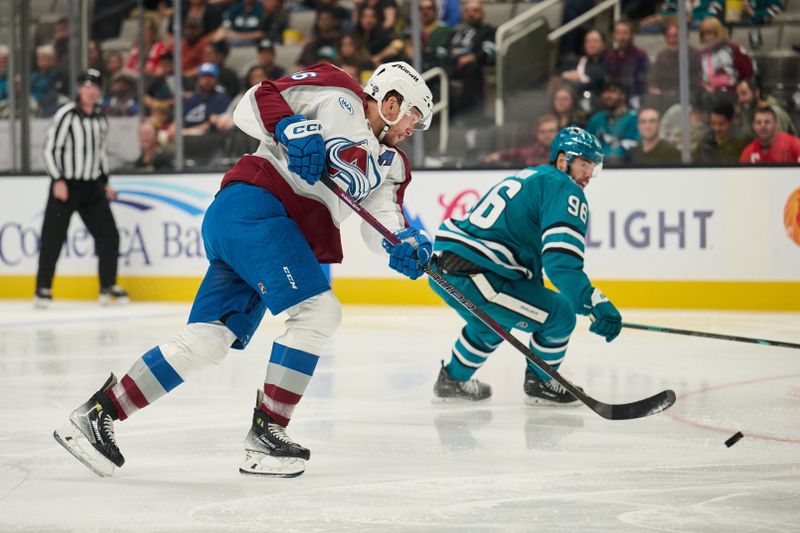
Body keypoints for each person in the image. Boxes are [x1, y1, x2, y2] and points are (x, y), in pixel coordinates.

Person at [53, 61, 434, 478]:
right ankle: (269, 432)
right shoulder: (337, 89)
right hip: (254, 206)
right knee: (318, 313)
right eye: (413, 116)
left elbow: (382, 226)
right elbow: (254, 100)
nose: (413, 129)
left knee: (207, 340)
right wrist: (288, 127)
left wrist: (403, 243)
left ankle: (96, 415)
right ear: (392, 102)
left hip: (266, 232)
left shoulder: (392, 166)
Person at [429, 126, 622, 405]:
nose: (589, 174)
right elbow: (561, 264)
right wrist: (593, 301)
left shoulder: (534, 177)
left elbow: (526, 265)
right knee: (560, 314)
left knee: (492, 323)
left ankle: (453, 379)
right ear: (562, 160)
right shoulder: (564, 187)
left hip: (447, 269)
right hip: (478, 275)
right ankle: (542, 381)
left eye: (593, 167)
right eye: (584, 164)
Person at [35, 69, 129, 308]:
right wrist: (57, 179)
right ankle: (43, 288)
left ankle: (107, 285)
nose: (90, 91)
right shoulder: (66, 115)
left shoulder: (100, 118)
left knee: (109, 235)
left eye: (95, 87)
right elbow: (49, 149)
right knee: (53, 237)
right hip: (66, 185)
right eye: (86, 86)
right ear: (79, 89)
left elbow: (99, 154)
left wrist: (105, 183)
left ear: (99, 91)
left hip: (91, 187)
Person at [585, 81, 639, 165]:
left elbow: (636, 147)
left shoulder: (634, 119)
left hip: (626, 169)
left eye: (613, 92)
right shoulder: (596, 119)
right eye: (605, 92)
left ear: (623, 95)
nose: (608, 95)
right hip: (597, 168)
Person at [484, 113, 559, 167]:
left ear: (558, 133)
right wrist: (497, 156)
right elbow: (515, 153)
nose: (546, 135)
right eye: (542, 132)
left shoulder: (564, 154)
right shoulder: (531, 153)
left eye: (551, 131)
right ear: (537, 134)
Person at [604, 20, 649, 108]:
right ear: (613, 35)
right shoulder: (610, 57)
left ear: (631, 35)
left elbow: (642, 80)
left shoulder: (640, 54)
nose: (622, 37)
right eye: (618, 33)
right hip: (616, 96)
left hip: (636, 95)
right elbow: (609, 80)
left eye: (625, 33)